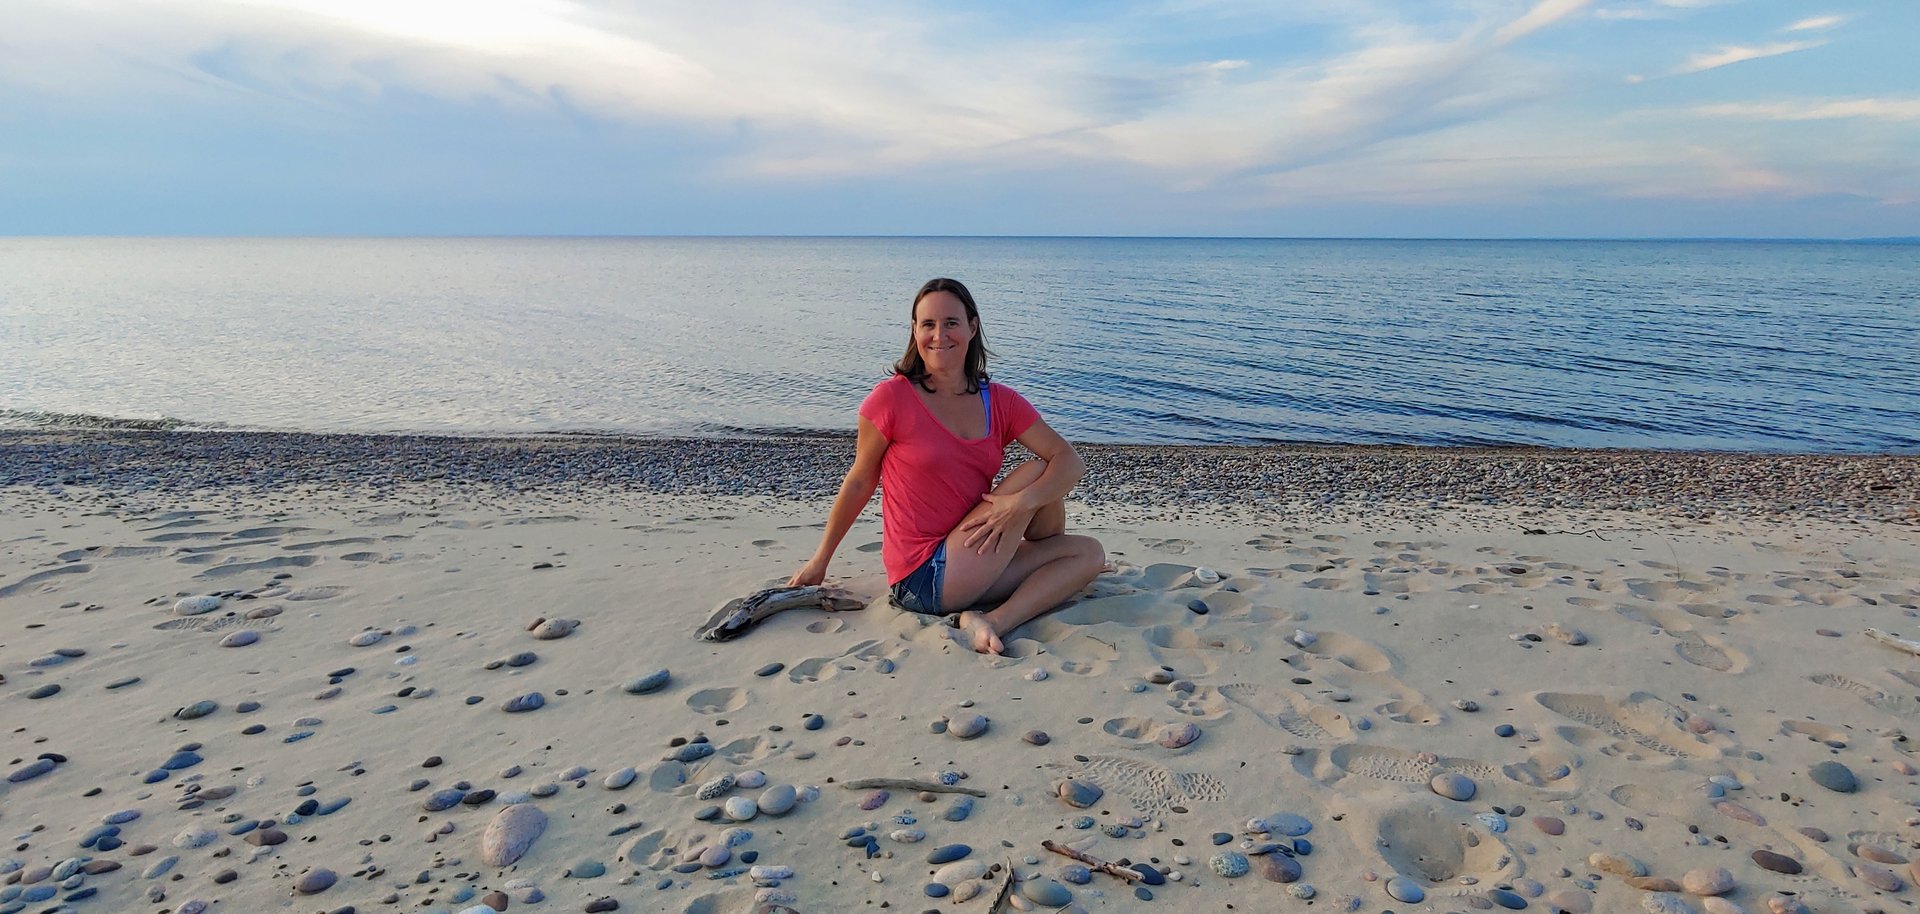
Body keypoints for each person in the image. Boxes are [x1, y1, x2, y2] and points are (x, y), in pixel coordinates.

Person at [788, 278, 1105, 654]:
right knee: (1036, 472)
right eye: (928, 324)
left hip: (974, 554)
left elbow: (1072, 461)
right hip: (922, 577)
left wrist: (1020, 504)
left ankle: (991, 619)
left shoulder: (1000, 400)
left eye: (951, 322)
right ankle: (994, 610)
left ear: (972, 327)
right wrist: (819, 561)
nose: (940, 335)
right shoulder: (891, 398)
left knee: (1089, 553)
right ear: (915, 331)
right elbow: (859, 481)